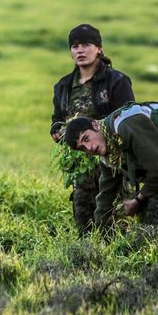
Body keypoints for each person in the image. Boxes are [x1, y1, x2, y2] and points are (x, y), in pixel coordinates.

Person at [64, 101, 158, 239]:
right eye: (82, 148)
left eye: (86, 138)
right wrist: (98, 235)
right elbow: (106, 195)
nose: (90, 147)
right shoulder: (109, 153)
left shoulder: (126, 127)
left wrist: (138, 199)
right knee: (149, 220)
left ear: (96, 125)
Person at [50, 23, 135, 234]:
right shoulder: (63, 86)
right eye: (75, 46)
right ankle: (86, 261)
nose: (80, 50)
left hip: (114, 165)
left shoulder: (117, 82)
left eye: (86, 44)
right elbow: (57, 119)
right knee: (83, 222)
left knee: (115, 224)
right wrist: (58, 131)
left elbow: (128, 121)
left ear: (99, 48)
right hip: (81, 168)